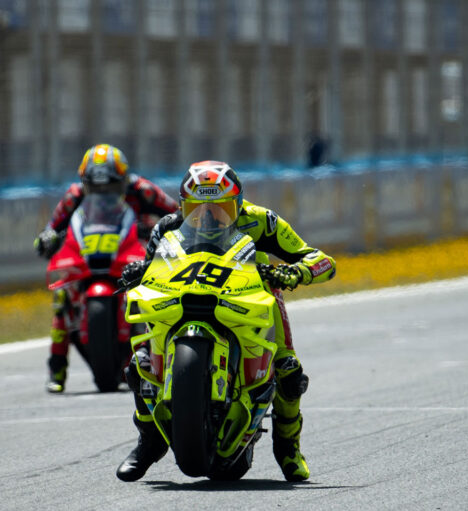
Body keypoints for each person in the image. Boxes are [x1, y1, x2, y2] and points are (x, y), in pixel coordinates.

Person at [115, 161, 337, 482]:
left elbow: (320, 259)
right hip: (184, 295)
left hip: (250, 296)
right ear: (183, 205)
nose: (208, 216)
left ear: (238, 204)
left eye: (220, 209)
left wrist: (294, 272)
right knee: (140, 364)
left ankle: (288, 447)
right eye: (196, 209)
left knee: (289, 370)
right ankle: (149, 442)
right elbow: (152, 267)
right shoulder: (167, 226)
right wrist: (137, 270)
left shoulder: (262, 221)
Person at [33, 143, 178, 393]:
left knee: (158, 294)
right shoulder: (74, 195)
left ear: (123, 180)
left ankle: (160, 360)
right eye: (96, 187)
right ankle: (57, 367)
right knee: (63, 295)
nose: (103, 192)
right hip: (89, 251)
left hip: (132, 252)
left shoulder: (143, 190)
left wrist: (157, 230)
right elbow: (52, 227)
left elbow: (178, 215)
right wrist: (48, 238)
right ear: (85, 182)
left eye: (110, 187)